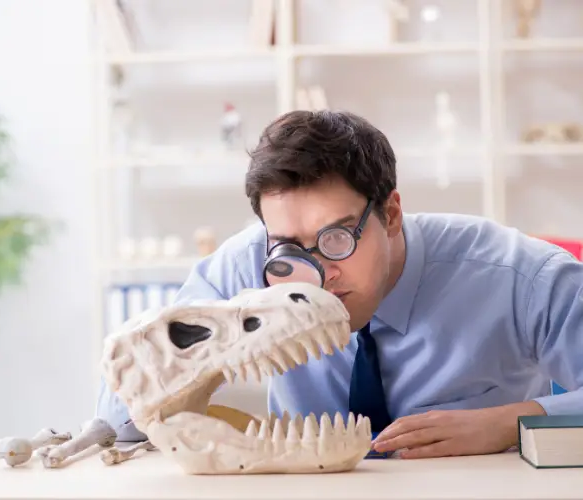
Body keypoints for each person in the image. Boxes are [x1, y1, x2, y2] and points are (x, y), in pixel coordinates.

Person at [96, 109, 583, 458]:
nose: (318, 276)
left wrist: (510, 422)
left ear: (390, 214)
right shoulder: (253, 260)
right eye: (288, 246)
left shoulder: (516, 274)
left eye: (335, 238)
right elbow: (131, 400)